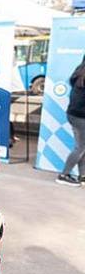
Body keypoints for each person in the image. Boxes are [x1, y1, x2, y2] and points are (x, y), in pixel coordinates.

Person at [56, 55, 85, 187]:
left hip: (74, 114)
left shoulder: (79, 73)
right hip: (81, 116)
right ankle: (63, 175)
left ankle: (82, 175)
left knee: (83, 147)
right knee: (81, 147)